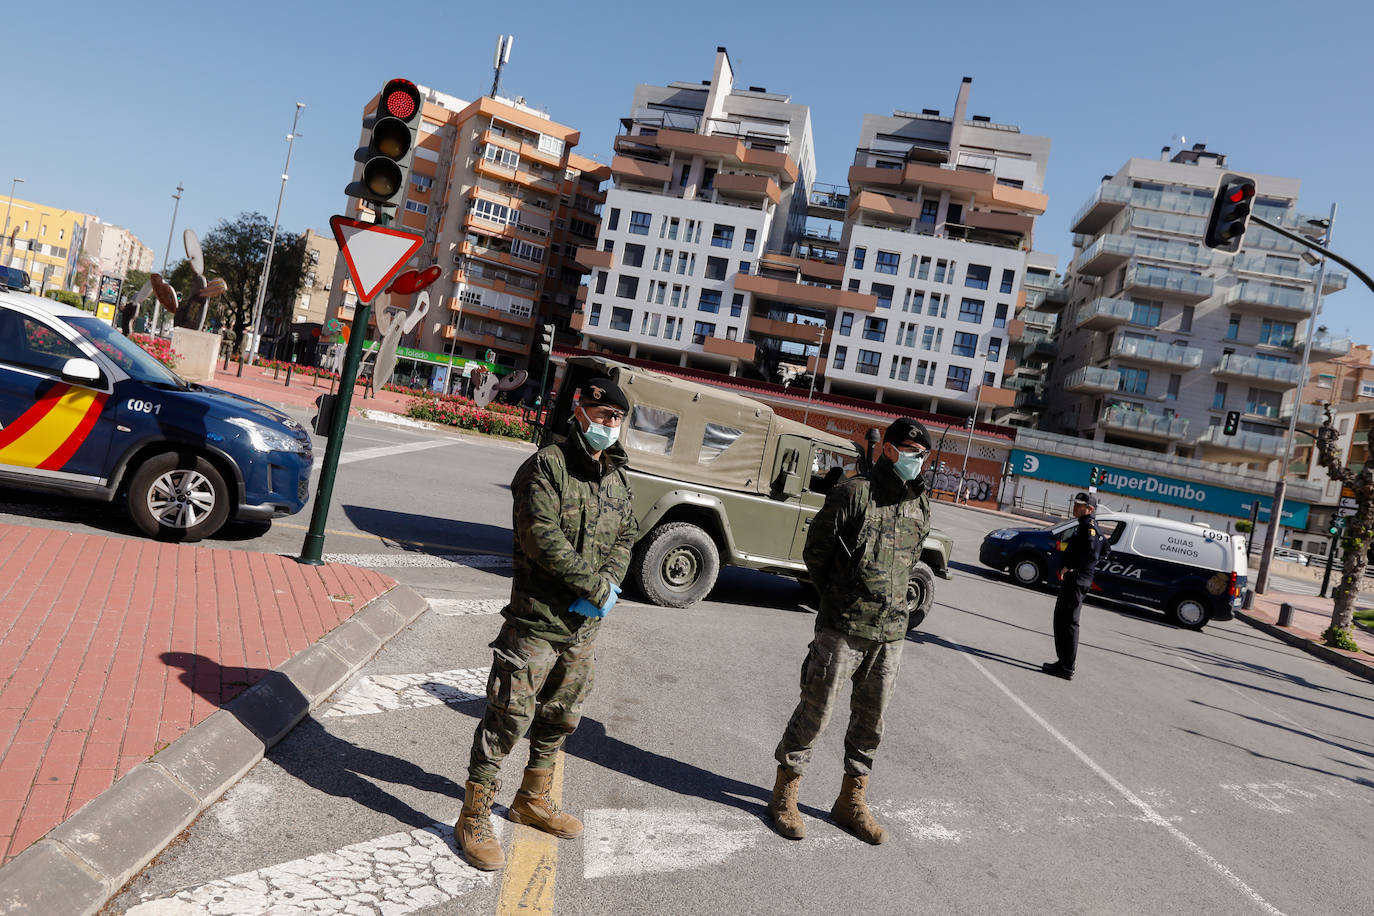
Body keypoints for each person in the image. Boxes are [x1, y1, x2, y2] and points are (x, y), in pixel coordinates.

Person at [458, 376, 638, 871]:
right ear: (580, 412)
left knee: (561, 715)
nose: (610, 427)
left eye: (617, 420)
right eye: (604, 418)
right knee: (507, 718)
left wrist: (609, 586)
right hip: (536, 621)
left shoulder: (618, 478)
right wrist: (593, 587)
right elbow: (541, 537)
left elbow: (627, 536)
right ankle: (473, 814)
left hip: (583, 628)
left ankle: (531, 801)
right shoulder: (546, 467)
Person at [769, 417, 933, 845]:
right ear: (891, 450)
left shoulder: (920, 503)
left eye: (923, 455)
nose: (918, 462)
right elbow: (816, 552)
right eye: (912, 453)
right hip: (843, 627)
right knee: (816, 712)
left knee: (871, 722)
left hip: (891, 634)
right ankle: (785, 792)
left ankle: (850, 800)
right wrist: (838, 600)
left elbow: (912, 559)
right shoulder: (854, 493)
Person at [1042, 492, 1108, 681]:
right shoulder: (1087, 526)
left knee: (1069, 623)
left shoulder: (1089, 528)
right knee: (1061, 620)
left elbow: (1092, 554)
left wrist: (1072, 567)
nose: (1075, 508)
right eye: (1076, 504)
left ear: (1090, 509)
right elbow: (1105, 549)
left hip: (1077, 580)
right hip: (1076, 580)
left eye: (1080, 505)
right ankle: (1062, 662)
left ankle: (1067, 667)